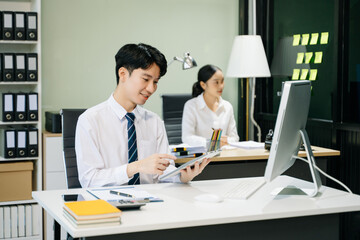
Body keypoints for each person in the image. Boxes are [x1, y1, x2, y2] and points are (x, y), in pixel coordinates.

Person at [75, 43, 210, 188]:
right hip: (108, 205)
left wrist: (181, 176)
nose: (151, 88)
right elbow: (89, 180)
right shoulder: (90, 120)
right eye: (146, 79)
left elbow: (163, 171)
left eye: (155, 82)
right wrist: (135, 167)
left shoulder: (154, 121)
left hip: (150, 203)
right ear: (123, 74)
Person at [182, 64, 239, 147]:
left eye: (222, 81)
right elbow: (187, 138)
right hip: (201, 157)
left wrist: (226, 140)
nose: (221, 86)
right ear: (203, 85)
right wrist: (211, 142)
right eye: (216, 82)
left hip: (225, 156)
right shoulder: (191, 106)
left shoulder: (227, 106)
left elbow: (235, 138)